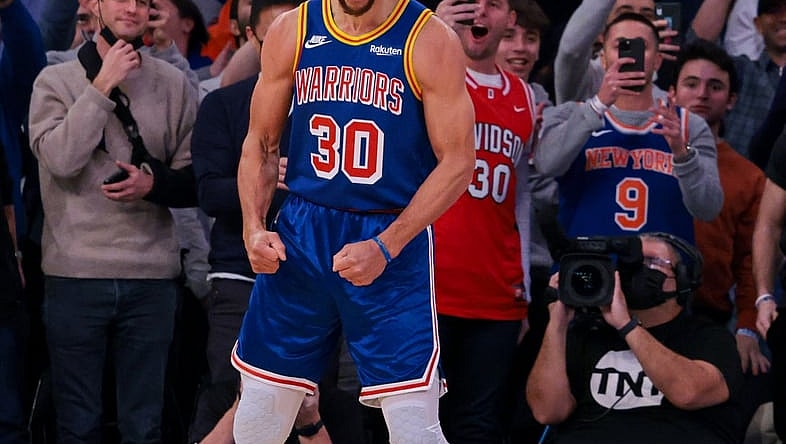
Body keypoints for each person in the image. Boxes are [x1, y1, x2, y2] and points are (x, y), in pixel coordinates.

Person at [230, 0, 476, 441]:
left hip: (387, 233)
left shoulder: (429, 38)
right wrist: (253, 226)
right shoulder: (294, 28)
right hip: (302, 231)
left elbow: (458, 161)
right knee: (259, 415)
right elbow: (261, 142)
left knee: (413, 424)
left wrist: (388, 244)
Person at [27, 0, 199, 441]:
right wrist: (101, 86)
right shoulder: (55, 81)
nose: (132, 7)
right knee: (77, 423)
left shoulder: (175, 84)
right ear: (93, 5)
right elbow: (62, 159)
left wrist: (152, 184)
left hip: (152, 276)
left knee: (145, 425)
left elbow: (194, 179)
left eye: (143, 1)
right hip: (74, 273)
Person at [189, 0, 297, 440]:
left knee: (312, 397)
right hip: (239, 271)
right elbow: (208, 193)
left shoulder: (338, 107)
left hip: (320, 273)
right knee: (229, 390)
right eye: (277, 38)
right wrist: (263, 177)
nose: (292, 51)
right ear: (252, 39)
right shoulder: (224, 105)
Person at [526, 234, 744, 443]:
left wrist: (627, 325)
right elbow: (547, 412)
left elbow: (688, 393)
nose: (637, 267)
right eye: (630, 261)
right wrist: (557, 324)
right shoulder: (587, 335)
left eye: (651, 261)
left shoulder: (708, 336)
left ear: (683, 279)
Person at [432, 0, 535, 441]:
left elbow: (522, 199)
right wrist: (435, 29)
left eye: (493, 4)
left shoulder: (526, 96)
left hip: (496, 291)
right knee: (415, 419)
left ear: (510, 19)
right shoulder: (427, 78)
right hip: (428, 287)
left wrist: (525, 284)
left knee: (479, 425)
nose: (480, 13)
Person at [535, 12, 722, 243]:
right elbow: (546, 165)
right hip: (587, 269)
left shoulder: (689, 125)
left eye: (641, 46)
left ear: (657, 60)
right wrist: (597, 106)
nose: (631, 57)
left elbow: (709, 209)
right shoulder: (570, 114)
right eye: (621, 46)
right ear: (602, 59)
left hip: (659, 270)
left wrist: (682, 155)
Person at [688, 0, 786, 157]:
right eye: (774, 11)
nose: (783, 18)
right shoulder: (740, 71)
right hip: (741, 177)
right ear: (758, 24)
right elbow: (697, 46)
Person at [553, 0, 679, 104]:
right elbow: (571, 52)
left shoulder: (668, 100)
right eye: (625, 14)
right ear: (601, 31)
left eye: (646, 16)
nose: (635, 24)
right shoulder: (587, 80)